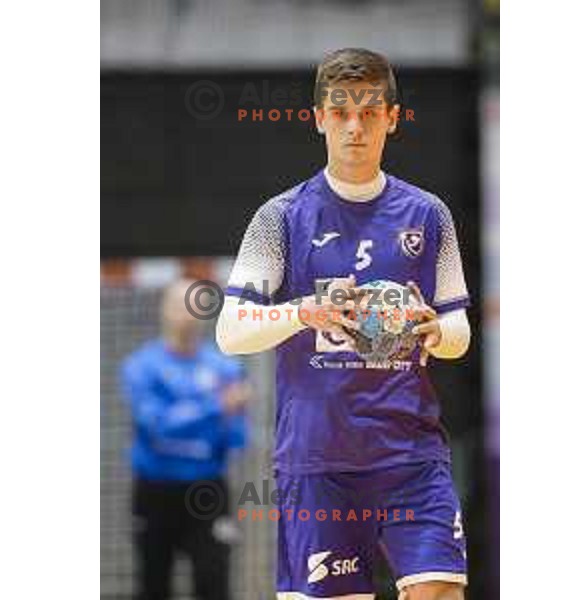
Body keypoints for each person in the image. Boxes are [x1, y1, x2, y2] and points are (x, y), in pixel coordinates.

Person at [216, 48, 471, 600]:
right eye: (341, 112)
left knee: (440, 590)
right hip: (319, 459)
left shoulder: (429, 216)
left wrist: (434, 330)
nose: (354, 127)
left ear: (392, 119)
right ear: (319, 118)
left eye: (370, 112)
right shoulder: (280, 217)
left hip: (409, 454)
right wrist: (303, 311)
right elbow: (231, 330)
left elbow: (458, 334)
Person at [121, 279, 251, 600]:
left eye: (194, 305)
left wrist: (222, 418)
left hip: (207, 489)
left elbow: (237, 438)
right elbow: (156, 425)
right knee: (153, 582)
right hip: (156, 489)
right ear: (163, 310)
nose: (186, 314)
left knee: (213, 580)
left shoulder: (225, 367)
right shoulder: (141, 366)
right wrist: (215, 408)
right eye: (178, 305)